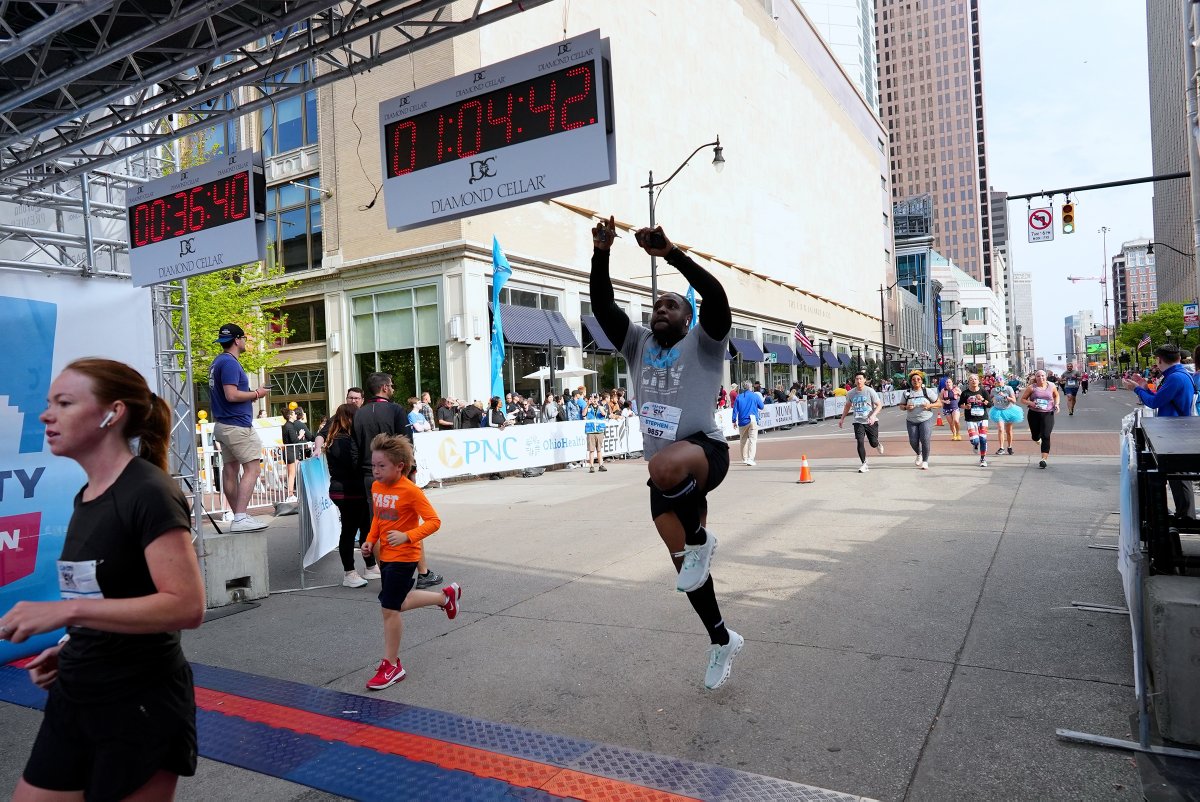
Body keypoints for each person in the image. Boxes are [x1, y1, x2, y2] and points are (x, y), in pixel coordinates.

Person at [1, 358, 205, 799]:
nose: (45, 415)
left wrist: (66, 611)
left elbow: (187, 606)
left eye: (64, 403)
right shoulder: (88, 495)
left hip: (139, 701)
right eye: (49, 402)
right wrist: (72, 644)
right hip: (78, 689)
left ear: (112, 413)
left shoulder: (150, 491)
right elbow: (111, 590)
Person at [590, 215, 742, 690]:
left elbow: (716, 297)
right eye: (657, 305)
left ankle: (701, 537)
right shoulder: (637, 343)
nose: (661, 309)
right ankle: (721, 639)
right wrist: (602, 252)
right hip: (668, 480)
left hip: (703, 454)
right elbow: (602, 305)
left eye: (671, 305)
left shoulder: (706, 342)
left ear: (688, 318)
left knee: (664, 465)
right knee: (687, 572)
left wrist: (671, 254)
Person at [360, 433, 462, 690]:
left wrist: (408, 536)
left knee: (389, 608)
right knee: (399, 601)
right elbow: (378, 518)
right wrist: (370, 541)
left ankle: (392, 665)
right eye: (374, 465)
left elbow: (433, 521)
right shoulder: (377, 487)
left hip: (405, 557)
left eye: (382, 466)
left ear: (399, 466)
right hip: (386, 556)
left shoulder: (411, 491)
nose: (376, 471)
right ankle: (445, 598)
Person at [208, 322, 270, 532]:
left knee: (230, 470)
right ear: (237, 340)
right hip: (237, 426)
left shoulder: (218, 362)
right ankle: (241, 517)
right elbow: (231, 395)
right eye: (243, 338)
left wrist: (250, 395)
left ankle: (238, 517)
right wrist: (256, 394)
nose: (245, 342)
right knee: (252, 467)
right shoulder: (231, 363)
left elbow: (228, 395)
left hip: (223, 425)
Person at [1124, 344, 1195, 518]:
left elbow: (1154, 403)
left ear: (1160, 359)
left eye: (1156, 360)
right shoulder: (1178, 375)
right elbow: (1159, 398)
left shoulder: (1175, 378)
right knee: (1177, 474)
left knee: (1178, 475)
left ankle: (1186, 515)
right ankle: (1184, 513)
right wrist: (1144, 387)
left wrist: (1137, 389)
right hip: (1176, 428)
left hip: (1174, 430)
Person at [324, 403, 376, 587]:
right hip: (346, 491)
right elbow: (353, 465)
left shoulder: (342, 438)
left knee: (365, 528)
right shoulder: (340, 440)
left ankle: (370, 566)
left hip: (353, 490)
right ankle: (349, 572)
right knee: (349, 531)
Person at [838, 371, 883, 473]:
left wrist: (873, 415)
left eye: (860, 379)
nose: (858, 381)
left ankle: (877, 444)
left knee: (873, 443)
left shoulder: (870, 391)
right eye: (856, 379)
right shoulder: (850, 393)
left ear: (864, 380)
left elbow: (879, 405)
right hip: (858, 421)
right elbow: (847, 406)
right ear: (854, 381)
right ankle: (864, 463)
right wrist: (842, 419)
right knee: (860, 441)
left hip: (870, 421)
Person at [1019, 369, 1060, 468]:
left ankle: (1044, 459)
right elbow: (1022, 400)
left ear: (1046, 377)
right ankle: (1037, 438)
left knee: (1046, 435)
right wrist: (1031, 403)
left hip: (1048, 413)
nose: (1041, 378)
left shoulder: (1051, 386)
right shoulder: (1031, 388)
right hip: (1034, 414)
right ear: (1035, 378)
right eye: (1038, 376)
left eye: (1043, 376)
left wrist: (1057, 404)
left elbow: (1056, 395)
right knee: (1035, 436)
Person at [901, 369, 940, 470]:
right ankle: (919, 453)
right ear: (911, 381)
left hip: (926, 418)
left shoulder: (927, 391)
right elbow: (901, 406)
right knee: (913, 441)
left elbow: (939, 403)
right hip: (911, 420)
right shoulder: (907, 393)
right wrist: (906, 407)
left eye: (918, 379)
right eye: (914, 379)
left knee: (925, 439)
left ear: (922, 381)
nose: (916, 381)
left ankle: (925, 461)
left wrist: (929, 405)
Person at [311, 387, 365, 456]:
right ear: (346, 399)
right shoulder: (337, 417)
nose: (353, 401)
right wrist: (317, 448)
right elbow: (321, 435)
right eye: (351, 398)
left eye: (356, 398)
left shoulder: (366, 416)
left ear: (362, 400)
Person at [959, 374, 992, 468]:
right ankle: (975, 444)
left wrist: (982, 400)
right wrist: (965, 406)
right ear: (968, 382)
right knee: (975, 440)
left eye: (975, 379)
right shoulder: (965, 393)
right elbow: (960, 404)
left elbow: (990, 404)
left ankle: (983, 459)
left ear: (978, 381)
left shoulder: (983, 391)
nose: (973, 381)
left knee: (983, 438)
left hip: (983, 418)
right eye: (971, 379)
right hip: (970, 419)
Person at [732, 380, 763, 466]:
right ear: (751, 387)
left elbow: (735, 410)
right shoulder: (755, 396)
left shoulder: (739, 397)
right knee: (753, 440)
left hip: (742, 420)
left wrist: (733, 420)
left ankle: (744, 458)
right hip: (753, 419)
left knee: (743, 440)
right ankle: (750, 458)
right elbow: (762, 406)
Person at [989, 378, 1022, 456]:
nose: (998, 382)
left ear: (1003, 381)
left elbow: (1014, 401)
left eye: (1000, 380)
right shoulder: (993, 390)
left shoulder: (1008, 388)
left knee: (1008, 430)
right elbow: (989, 398)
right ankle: (1001, 448)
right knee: (1000, 429)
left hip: (1009, 410)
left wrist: (1005, 396)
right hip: (998, 410)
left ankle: (1009, 447)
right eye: (997, 381)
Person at [584, 392, 608, 473]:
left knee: (599, 449)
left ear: (598, 399)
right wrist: (588, 404)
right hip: (590, 430)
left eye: (596, 398)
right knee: (591, 450)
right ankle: (591, 466)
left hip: (599, 430)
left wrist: (597, 404)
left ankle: (601, 465)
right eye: (593, 398)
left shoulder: (601, 407)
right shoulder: (588, 407)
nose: (594, 400)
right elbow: (583, 414)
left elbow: (604, 414)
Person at [940, 376, 961, 441]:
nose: (948, 383)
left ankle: (958, 433)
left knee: (956, 421)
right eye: (947, 382)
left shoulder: (956, 389)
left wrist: (958, 393)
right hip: (946, 408)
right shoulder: (943, 390)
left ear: (952, 383)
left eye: (949, 382)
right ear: (945, 383)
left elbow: (962, 395)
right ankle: (954, 434)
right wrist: (945, 401)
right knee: (951, 423)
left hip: (955, 407)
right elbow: (940, 399)